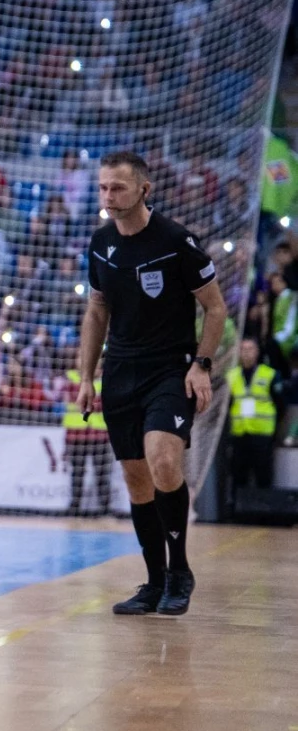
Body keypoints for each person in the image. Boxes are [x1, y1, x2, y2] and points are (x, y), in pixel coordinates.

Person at [77, 151, 227, 617]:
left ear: (145, 189)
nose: (108, 196)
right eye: (103, 188)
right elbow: (97, 310)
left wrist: (201, 365)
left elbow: (215, 308)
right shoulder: (101, 242)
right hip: (121, 371)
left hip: (169, 369)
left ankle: (180, 571)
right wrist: (86, 376)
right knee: (136, 478)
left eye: (117, 188)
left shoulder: (176, 240)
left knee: (163, 461)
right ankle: (154, 580)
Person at [227, 337, 279, 490]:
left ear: (257, 352)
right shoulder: (231, 376)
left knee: (263, 475)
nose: (246, 353)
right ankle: (237, 505)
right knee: (238, 475)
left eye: (250, 349)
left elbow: (279, 402)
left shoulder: (268, 374)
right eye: (243, 349)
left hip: (262, 433)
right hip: (239, 433)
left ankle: (264, 505)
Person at [62, 361, 112, 516]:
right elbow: (75, 400)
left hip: (99, 433)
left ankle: (105, 508)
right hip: (76, 434)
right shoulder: (69, 378)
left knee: (102, 473)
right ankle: (75, 507)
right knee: (77, 472)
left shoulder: (106, 379)